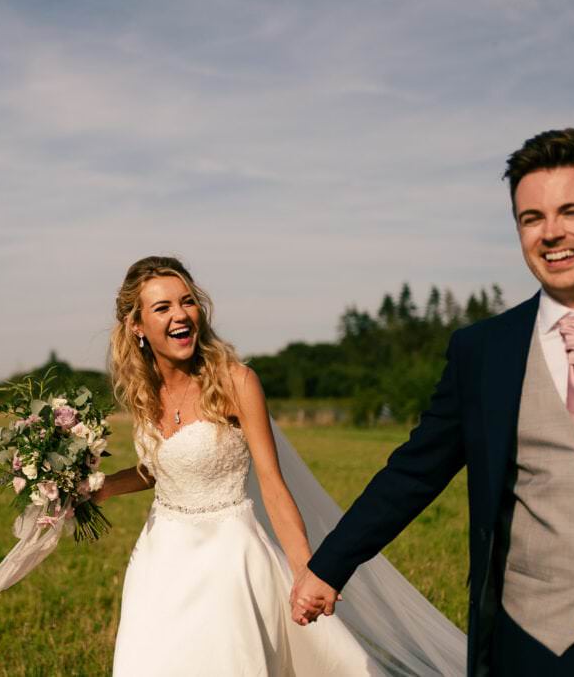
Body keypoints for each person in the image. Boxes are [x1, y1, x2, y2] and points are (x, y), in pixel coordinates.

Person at [293, 128, 574, 676]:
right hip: (528, 643)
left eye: (573, 211)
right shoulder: (482, 351)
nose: (552, 233)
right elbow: (415, 472)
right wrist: (329, 566)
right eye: (532, 218)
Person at [98, 256, 465, 676]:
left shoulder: (235, 382)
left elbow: (272, 484)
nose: (181, 315)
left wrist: (309, 572)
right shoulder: (145, 392)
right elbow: (162, 466)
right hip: (159, 558)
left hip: (227, 561)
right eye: (162, 308)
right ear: (136, 326)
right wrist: (103, 486)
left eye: (187, 302)